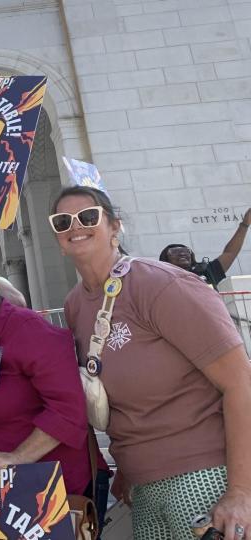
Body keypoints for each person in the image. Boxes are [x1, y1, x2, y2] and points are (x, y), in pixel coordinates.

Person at [52, 185, 251, 539]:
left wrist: (241, 492)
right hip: (142, 490)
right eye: (62, 221)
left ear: (114, 228)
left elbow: (240, 382)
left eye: (87, 217)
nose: (74, 226)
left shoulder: (160, 284)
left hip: (205, 478)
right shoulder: (74, 306)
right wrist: (128, 468)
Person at [0, 245, 106, 509]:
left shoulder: (29, 329)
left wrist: (16, 457)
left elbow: (68, 410)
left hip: (56, 488)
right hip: (6, 492)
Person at [159, 208, 251, 288]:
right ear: (165, 259)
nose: (182, 253)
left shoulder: (207, 271)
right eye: (175, 252)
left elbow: (230, 253)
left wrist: (245, 224)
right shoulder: (161, 279)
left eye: (186, 251)